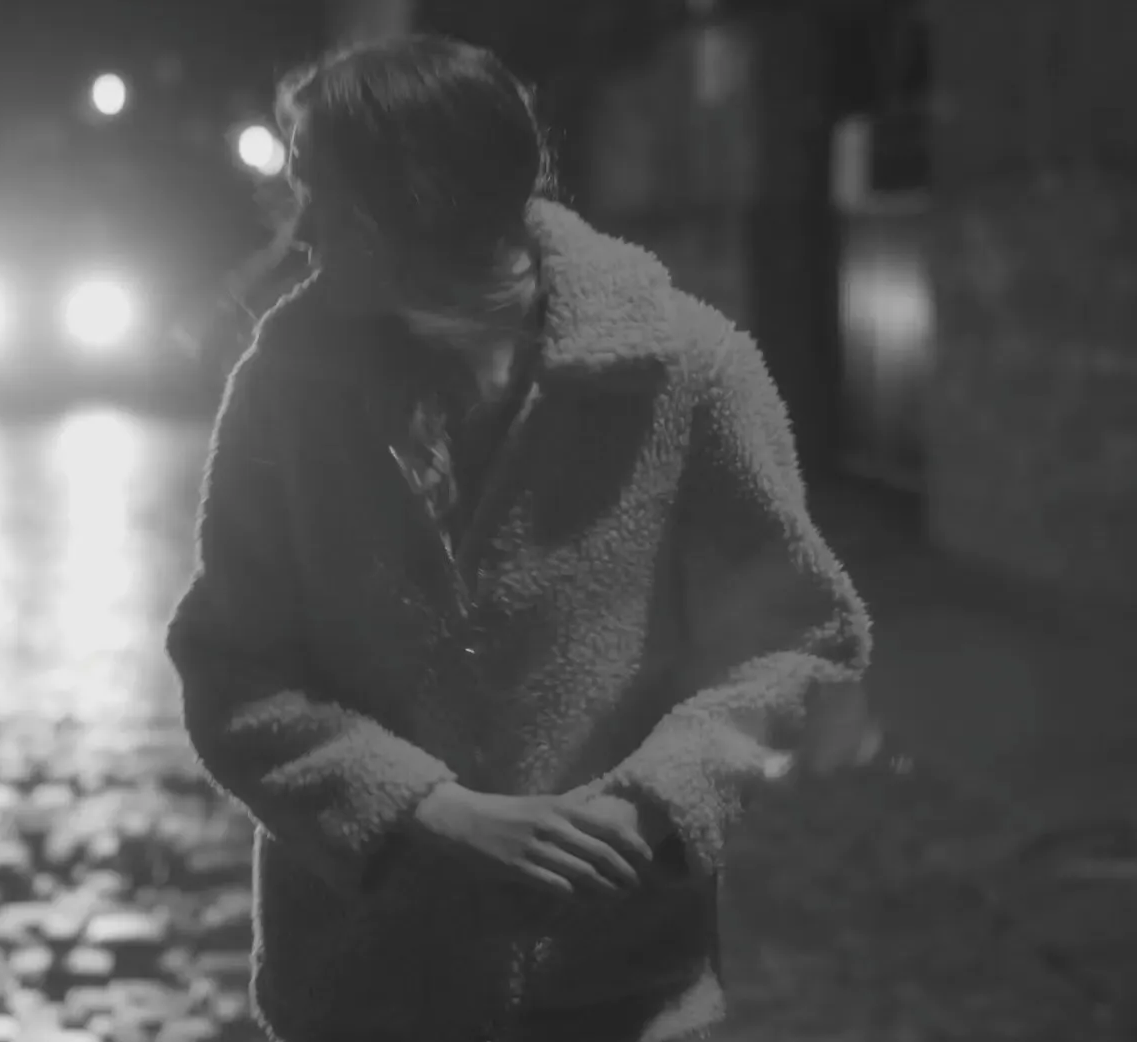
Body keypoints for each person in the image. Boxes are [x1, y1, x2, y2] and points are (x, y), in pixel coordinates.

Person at [166, 34, 879, 1043]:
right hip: (361, 991)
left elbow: (801, 641)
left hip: (614, 983)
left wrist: (650, 807)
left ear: (421, 196)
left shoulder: (686, 371)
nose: (307, 229)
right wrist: (423, 811)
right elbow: (232, 662)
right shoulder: (286, 388)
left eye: (328, 193)